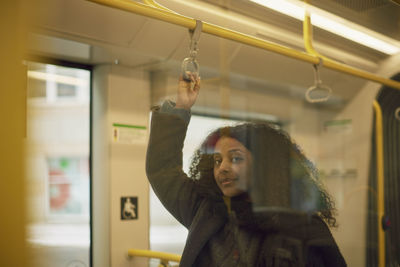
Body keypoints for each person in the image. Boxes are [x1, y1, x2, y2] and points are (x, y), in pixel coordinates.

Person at [146, 73, 346, 266]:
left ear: (264, 165)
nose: (222, 168)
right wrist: (181, 107)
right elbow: (163, 170)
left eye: (235, 158)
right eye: (217, 160)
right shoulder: (207, 210)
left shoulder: (304, 228)